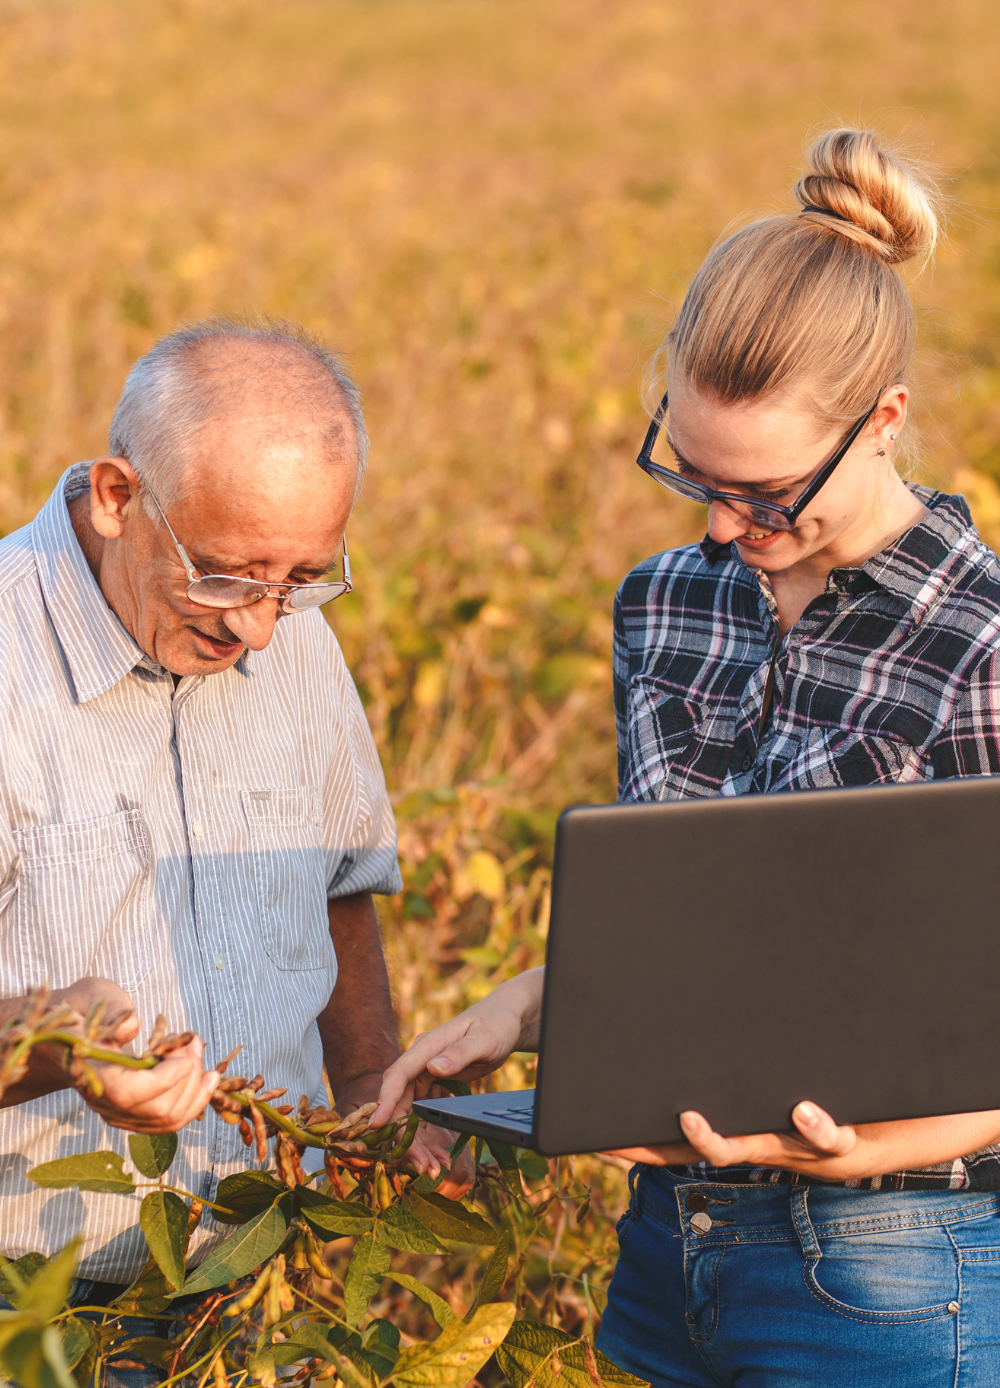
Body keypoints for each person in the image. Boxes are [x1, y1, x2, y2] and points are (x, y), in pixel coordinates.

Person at [373, 130, 1000, 1384]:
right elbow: (699, 928)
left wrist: (869, 1150)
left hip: (887, 1259)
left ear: (883, 422)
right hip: (665, 1250)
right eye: (693, 477)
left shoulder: (979, 639)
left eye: (766, 494)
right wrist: (516, 1010)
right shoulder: (666, 601)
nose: (725, 527)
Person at [0, 319, 469, 1324]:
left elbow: (335, 880)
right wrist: (57, 1049)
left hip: (266, 1275)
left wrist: (364, 1089)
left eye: (300, 578)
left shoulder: (291, 628)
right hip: (37, 1302)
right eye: (222, 574)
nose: (257, 625)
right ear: (120, 496)